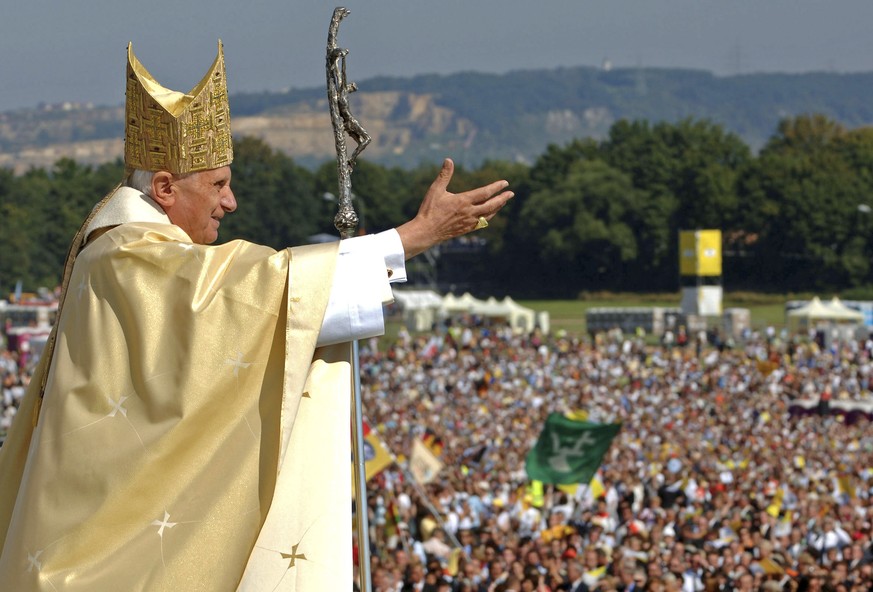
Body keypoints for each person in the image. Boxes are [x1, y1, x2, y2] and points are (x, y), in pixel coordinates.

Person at [0, 41, 512, 591]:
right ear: (166, 188)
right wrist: (415, 236)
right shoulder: (128, 257)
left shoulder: (123, 252)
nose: (231, 202)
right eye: (218, 184)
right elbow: (261, 299)